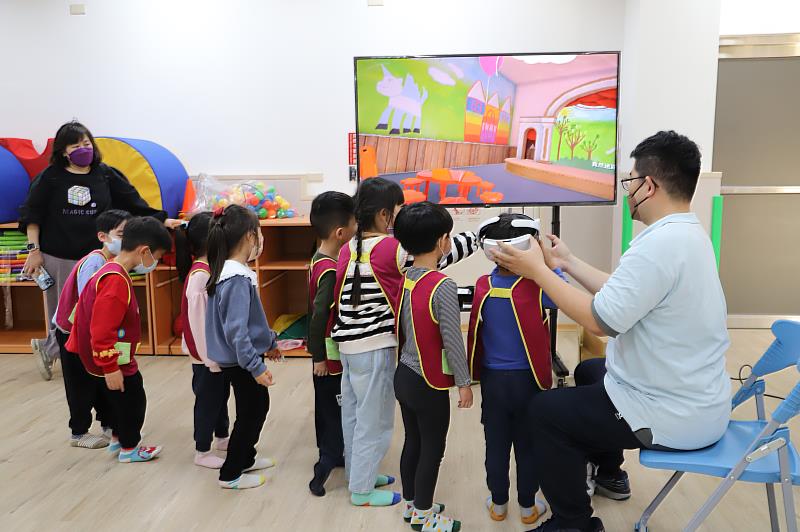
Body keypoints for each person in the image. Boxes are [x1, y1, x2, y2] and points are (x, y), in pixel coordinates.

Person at [491, 131, 731, 532]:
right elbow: (623, 296)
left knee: (545, 413)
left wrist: (537, 271)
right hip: (696, 396)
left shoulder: (658, 246)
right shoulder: (685, 234)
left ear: (648, 185)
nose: (628, 189)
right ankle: (609, 475)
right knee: (590, 372)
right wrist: (566, 262)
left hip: (673, 412)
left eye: (631, 180)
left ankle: (574, 523)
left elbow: (599, 321)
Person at [330, 178, 478, 507]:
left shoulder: (348, 247)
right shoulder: (389, 247)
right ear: (385, 216)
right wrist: (477, 238)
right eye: (399, 212)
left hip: (347, 346)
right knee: (376, 420)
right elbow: (431, 260)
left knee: (353, 415)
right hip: (375, 345)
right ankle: (362, 490)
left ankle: (360, 472)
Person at [19, 121, 181, 381]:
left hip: (97, 255)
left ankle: (74, 355)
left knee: (95, 309)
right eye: (76, 145)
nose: (84, 149)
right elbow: (32, 216)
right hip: (59, 254)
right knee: (66, 312)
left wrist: (162, 220)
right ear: (63, 151)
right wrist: (33, 250)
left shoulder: (105, 174)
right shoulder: (50, 178)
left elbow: (134, 202)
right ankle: (63, 355)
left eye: (87, 144)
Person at [467, 213, 567, 528]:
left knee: (495, 445)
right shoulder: (540, 286)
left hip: (493, 383)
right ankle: (527, 507)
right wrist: (550, 263)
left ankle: (498, 504)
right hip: (530, 382)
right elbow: (563, 292)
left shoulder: (483, 285)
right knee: (527, 446)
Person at [393, 202, 474, 532]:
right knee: (432, 450)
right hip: (428, 383)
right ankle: (425, 517)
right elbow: (453, 339)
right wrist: (464, 382)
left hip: (404, 375)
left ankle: (412, 504)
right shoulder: (443, 286)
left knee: (412, 441)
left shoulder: (406, 278)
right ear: (443, 241)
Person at [66, 216, 173, 463]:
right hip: (111, 356)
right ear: (143, 250)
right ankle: (130, 448)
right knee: (133, 399)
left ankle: (117, 439)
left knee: (121, 399)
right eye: (155, 257)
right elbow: (102, 330)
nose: (154, 263)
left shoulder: (113, 268)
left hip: (112, 354)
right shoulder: (115, 280)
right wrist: (111, 366)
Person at [205, 205, 282, 489]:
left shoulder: (231, 271)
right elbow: (237, 330)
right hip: (240, 360)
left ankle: (245, 457)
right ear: (251, 236)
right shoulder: (236, 277)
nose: (262, 239)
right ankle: (231, 473)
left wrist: (269, 342)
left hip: (242, 357)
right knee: (252, 412)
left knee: (257, 406)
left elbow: (251, 321)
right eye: (260, 233)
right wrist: (255, 365)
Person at [53, 209, 131, 449]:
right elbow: (89, 304)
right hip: (73, 332)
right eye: (120, 234)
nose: (125, 239)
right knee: (79, 384)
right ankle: (79, 431)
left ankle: (108, 423)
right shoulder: (95, 261)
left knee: (99, 378)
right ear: (102, 236)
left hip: (90, 331)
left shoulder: (113, 261)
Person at [307, 191, 356, 496]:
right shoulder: (329, 269)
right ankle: (323, 469)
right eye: (354, 225)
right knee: (335, 413)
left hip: (325, 355)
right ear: (341, 233)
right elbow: (318, 315)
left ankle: (332, 455)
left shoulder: (319, 257)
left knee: (325, 409)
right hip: (330, 357)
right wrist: (320, 358)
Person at [176, 212, 231, 469]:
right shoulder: (199, 275)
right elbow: (197, 322)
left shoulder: (209, 269)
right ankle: (202, 449)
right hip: (206, 355)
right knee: (208, 400)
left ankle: (221, 437)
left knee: (220, 396)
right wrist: (210, 358)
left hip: (214, 353)